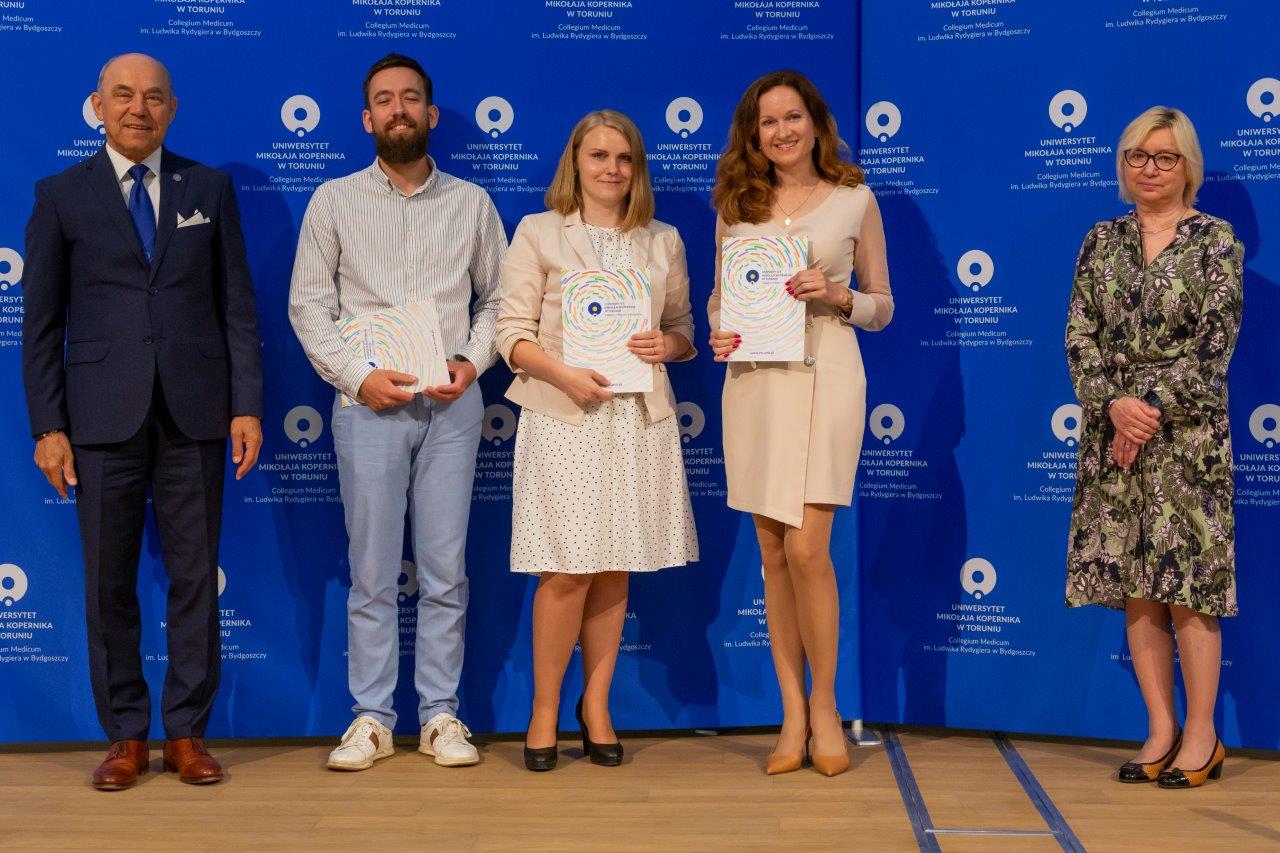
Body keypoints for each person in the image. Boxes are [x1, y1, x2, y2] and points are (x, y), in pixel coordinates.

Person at [22, 53, 264, 789]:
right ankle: (125, 735)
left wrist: (246, 404)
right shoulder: (60, 194)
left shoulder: (208, 188)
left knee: (195, 580)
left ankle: (186, 732)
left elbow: (237, 307)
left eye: (153, 97)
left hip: (196, 413)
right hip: (99, 419)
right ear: (98, 106)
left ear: (172, 108)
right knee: (108, 584)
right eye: (123, 95)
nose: (139, 108)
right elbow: (41, 325)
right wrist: (48, 426)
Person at [288, 53, 505, 771]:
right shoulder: (333, 201)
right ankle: (373, 719)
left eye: (411, 98)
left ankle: (441, 714)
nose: (399, 109)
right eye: (384, 99)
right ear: (367, 119)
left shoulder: (472, 203)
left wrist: (470, 361)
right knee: (373, 570)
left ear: (431, 114)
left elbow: (499, 302)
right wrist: (359, 377)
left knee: (445, 567)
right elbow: (308, 307)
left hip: (453, 403)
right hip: (368, 405)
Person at [495, 110, 699, 772]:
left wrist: (667, 345)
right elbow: (511, 334)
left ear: (637, 168)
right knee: (567, 570)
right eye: (599, 156)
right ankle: (544, 711)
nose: (612, 168)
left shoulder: (663, 239)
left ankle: (598, 706)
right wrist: (563, 374)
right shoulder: (538, 232)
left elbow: (684, 331)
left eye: (624, 157)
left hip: (637, 420)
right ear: (576, 163)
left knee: (615, 565)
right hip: (565, 417)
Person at [707, 70, 893, 777]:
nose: (781, 131)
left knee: (810, 548)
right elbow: (721, 301)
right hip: (756, 384)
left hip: (828, 378)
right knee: (773, 552)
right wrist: (721, 330)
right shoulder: (737, 206)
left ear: (815, 122)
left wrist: (840, 295)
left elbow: (883, 306)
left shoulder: (855, 199)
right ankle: (790, 712)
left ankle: (825, 706)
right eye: (767, 122)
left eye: (792, 117)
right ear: (753, 135)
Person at [1065, 106, 1243, 789]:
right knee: (1138, 586)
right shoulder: (1101, 239)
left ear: (1187, 167)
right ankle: (1161, 729)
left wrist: (1147, 410)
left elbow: (1214, 345)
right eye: (1138, 156)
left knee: (1189, 587)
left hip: (1187, 441)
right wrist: (1115, 404)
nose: (1150, 168)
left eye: (1165, 157)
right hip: (1113, 437)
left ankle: (1202, 735)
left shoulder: (1216, 240)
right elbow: (1079, 336)